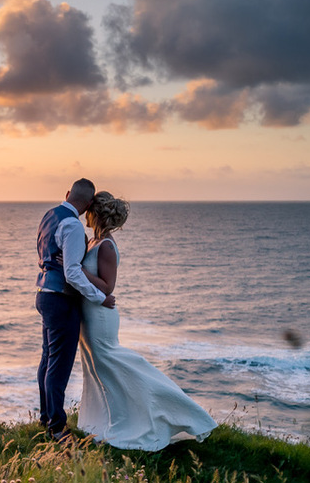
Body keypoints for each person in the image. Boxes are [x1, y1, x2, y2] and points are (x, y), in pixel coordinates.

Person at [77, 192, 216, 449]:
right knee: (95, 368)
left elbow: (107, 287)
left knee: (111, 362)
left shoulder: (106, 246)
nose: (84, 214)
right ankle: (101, 421)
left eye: (89, 210)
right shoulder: (92, 241)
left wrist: (79, 270)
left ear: (96, 213)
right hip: (88, 314)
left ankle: (172, 408)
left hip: (101, 316)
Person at [35, 179, 115, 437]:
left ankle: (46, 417)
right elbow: (72, 273)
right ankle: (57, 427)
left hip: (44, 293)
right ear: (89, 204)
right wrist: (99, 298)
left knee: (48, 360)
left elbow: (46, 256)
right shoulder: (72, 225)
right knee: (58, 366)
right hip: (61, 299)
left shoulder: (50, 216)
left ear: (68, 193)